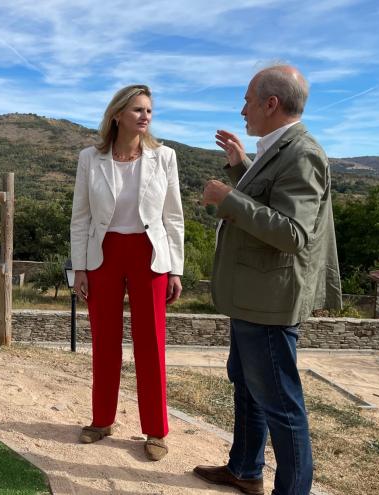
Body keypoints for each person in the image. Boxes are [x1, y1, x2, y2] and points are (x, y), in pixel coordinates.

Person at [194, 64, 342, 495]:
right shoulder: (277, 149)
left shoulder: (303, 152)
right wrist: (241, 168)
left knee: (282, 406)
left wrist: (227, 198)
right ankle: (244, 469)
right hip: (253, 298)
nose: (243, 109)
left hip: (271, 302)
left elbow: (293, 233)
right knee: (246, 384)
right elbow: (272, 202)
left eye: (247, 100)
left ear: (270, 103)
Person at [69, 84, 184, 461]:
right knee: (104, 339)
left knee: (151, 342)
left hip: (150, 255)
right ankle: (101, 420)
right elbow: (81, 217)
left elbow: (173, 217)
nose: (145, 116)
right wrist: (80, 267)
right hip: (103, 254)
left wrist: (175, 269)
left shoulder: (165, 157)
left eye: (149, 110)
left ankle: (156, 430)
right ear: (117, 115)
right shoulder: (90, 157)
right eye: (137, 109)